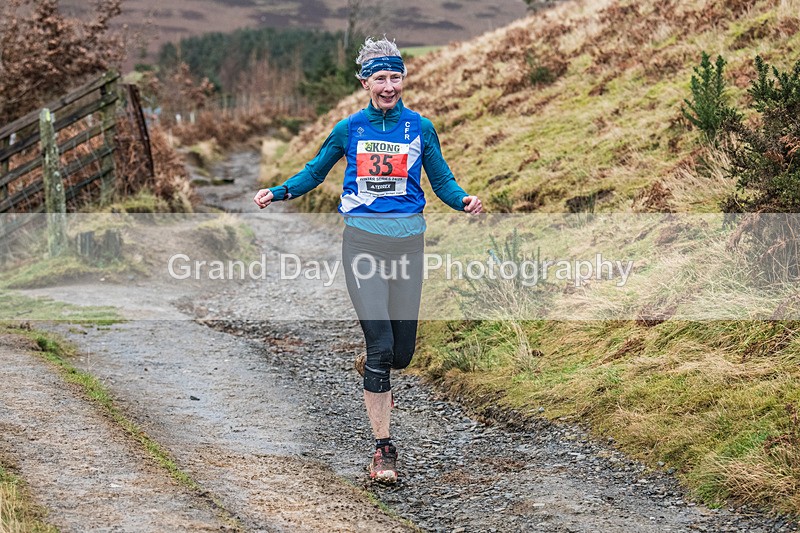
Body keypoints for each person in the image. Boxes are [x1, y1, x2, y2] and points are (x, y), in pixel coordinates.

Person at [253, 36, 482, 484]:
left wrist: (464, 201)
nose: (389, 85)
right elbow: (315, 171)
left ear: (403, 79)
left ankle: (374, 365)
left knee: (402, 353)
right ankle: (383, 450)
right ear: (365, 82)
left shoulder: (420, 127)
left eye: (396, 76)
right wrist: (279, 191)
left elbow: (443, 181)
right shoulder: (350, 128)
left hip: (408, 246)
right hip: (362, 245)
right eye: (381, 77)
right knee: (380, 347)